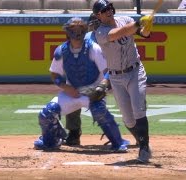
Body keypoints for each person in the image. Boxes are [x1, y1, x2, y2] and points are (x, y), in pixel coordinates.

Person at [33, 17, 128, 152]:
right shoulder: (61, 51)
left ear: (84, 31)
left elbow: (108, 72)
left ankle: (118, 142)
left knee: (99, 110)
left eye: (80, 30)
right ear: (68, 32)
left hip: (93, 91)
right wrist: (66, 87)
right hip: (72, 92)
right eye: (73, 30)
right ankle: (51, 141)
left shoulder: (94, 48)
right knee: (46, 113)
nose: (77, 33)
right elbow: (54, 74)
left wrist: (102, 87)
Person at [92, 0, 154, 163]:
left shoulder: (126, 20)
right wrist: (138, 23)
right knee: (128, 119)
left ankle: (144, 147)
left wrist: (146, 27)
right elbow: (118, 34)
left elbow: (143, 34)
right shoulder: (100, 32)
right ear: (98, 15)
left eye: (109, 8)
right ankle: (141, 140)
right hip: (116, 77)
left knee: (139, 110)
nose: (108, 11)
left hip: (135, 71)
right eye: (104, 10)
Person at [63, 13, 102, 146]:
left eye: (98, 22)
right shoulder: (83, 38)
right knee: (72, 101)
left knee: (103, 106)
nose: (96, 25)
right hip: (83, 76)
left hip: (105, 76)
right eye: (93, 23)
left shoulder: (111, 33)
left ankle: (115, 133)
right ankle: (74, 133)